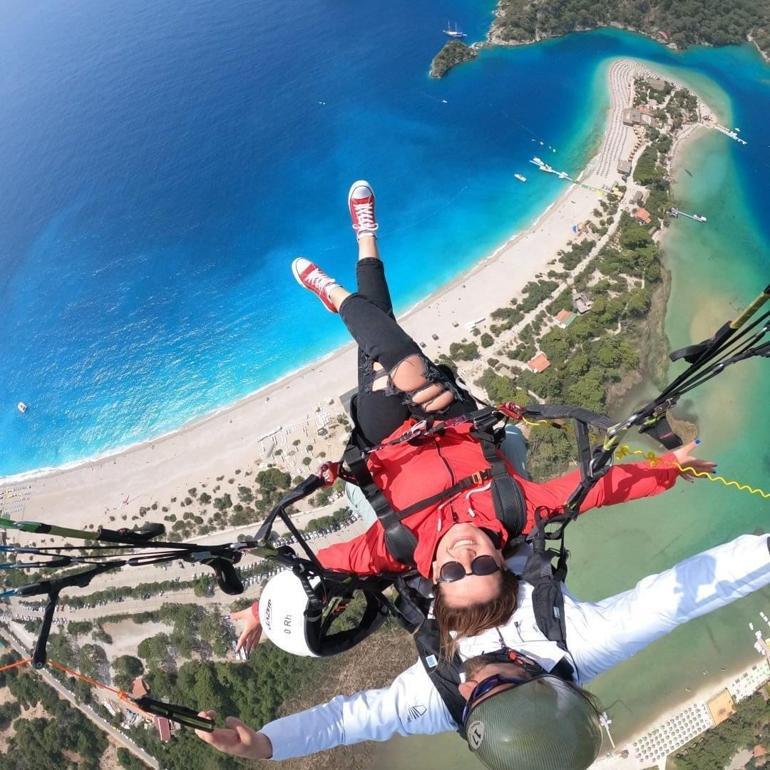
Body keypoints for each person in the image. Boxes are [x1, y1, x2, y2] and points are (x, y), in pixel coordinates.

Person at [231, 180, 714, 653]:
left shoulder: (395, 549)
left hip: (387, 435)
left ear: (434, 579)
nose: (467, 558)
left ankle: (342, 280)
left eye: (454, 574)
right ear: (503, 567)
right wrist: (671, 469)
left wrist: (258, 612)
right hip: (451, 415)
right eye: (484, 569)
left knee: (397, 356)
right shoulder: (516, 512)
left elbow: (321, 566)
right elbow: (597, 491)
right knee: (395, 350)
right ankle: (351, 264)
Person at [197, 533, 770, 769]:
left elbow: (349, 718)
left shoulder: (441, 701)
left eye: (471, 700)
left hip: (423, 554)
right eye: (497, 680)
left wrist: (268, 743)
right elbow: (687, 591)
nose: (468, 681)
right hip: (492, 538)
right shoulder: (583, 645)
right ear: (544, 681)